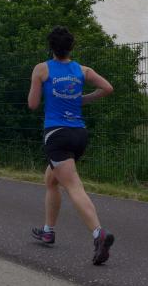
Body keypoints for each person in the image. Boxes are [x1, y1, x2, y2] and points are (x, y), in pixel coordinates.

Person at [27, 26, 115, 266]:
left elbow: (33, 104)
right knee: (51, 179)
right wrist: (82, 99)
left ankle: (98, 233)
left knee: (73, 186)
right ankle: (48, 231)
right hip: (79, 134)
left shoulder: (42, 69)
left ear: (51, 47)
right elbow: (108, 88)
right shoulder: (82, 70)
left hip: (56, 133)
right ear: (71, 47)